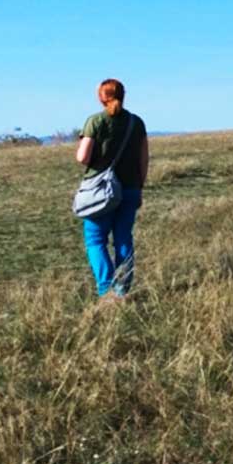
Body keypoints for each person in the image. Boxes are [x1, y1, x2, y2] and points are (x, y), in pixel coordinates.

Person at [76, 78, 149, 299]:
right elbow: (144, 158)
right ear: (123, 95)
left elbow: (82, 157)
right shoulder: (136, 123)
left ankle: (105, 290)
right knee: (123, 239)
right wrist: (139, 187)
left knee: (96, 241)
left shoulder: (95, 121)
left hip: (99, 192)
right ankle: (121, 290)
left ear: (101, 97)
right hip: (130, 189)